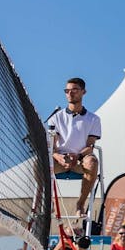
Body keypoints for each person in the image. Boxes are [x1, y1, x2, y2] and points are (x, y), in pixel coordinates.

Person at [50, 77, 102, 217]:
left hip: (80, 160)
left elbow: (90, 146)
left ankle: (80, 204)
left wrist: (77, 156)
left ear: (83, 92)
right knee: (38, 164)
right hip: (60, 160)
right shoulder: (56, 117)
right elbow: (51, 146)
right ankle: (49, 203)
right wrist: (59, 157)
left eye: (74, 90)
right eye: (67, 90)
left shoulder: (93, 119)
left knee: (92, 162)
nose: (70, 93)